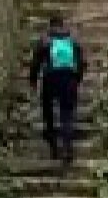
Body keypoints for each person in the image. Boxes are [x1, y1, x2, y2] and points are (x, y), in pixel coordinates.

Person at [29, 15, 86, 164]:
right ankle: (68, 149)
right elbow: (82, 63)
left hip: (50, 79)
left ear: (50, 26)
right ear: (63, 25)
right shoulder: (72, 41)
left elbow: (35, 63)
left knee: (48, 112)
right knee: (66, 114)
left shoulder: (45, 40)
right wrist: (77, 79)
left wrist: (33, 81)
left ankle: (53, 146)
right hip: (69, 79)